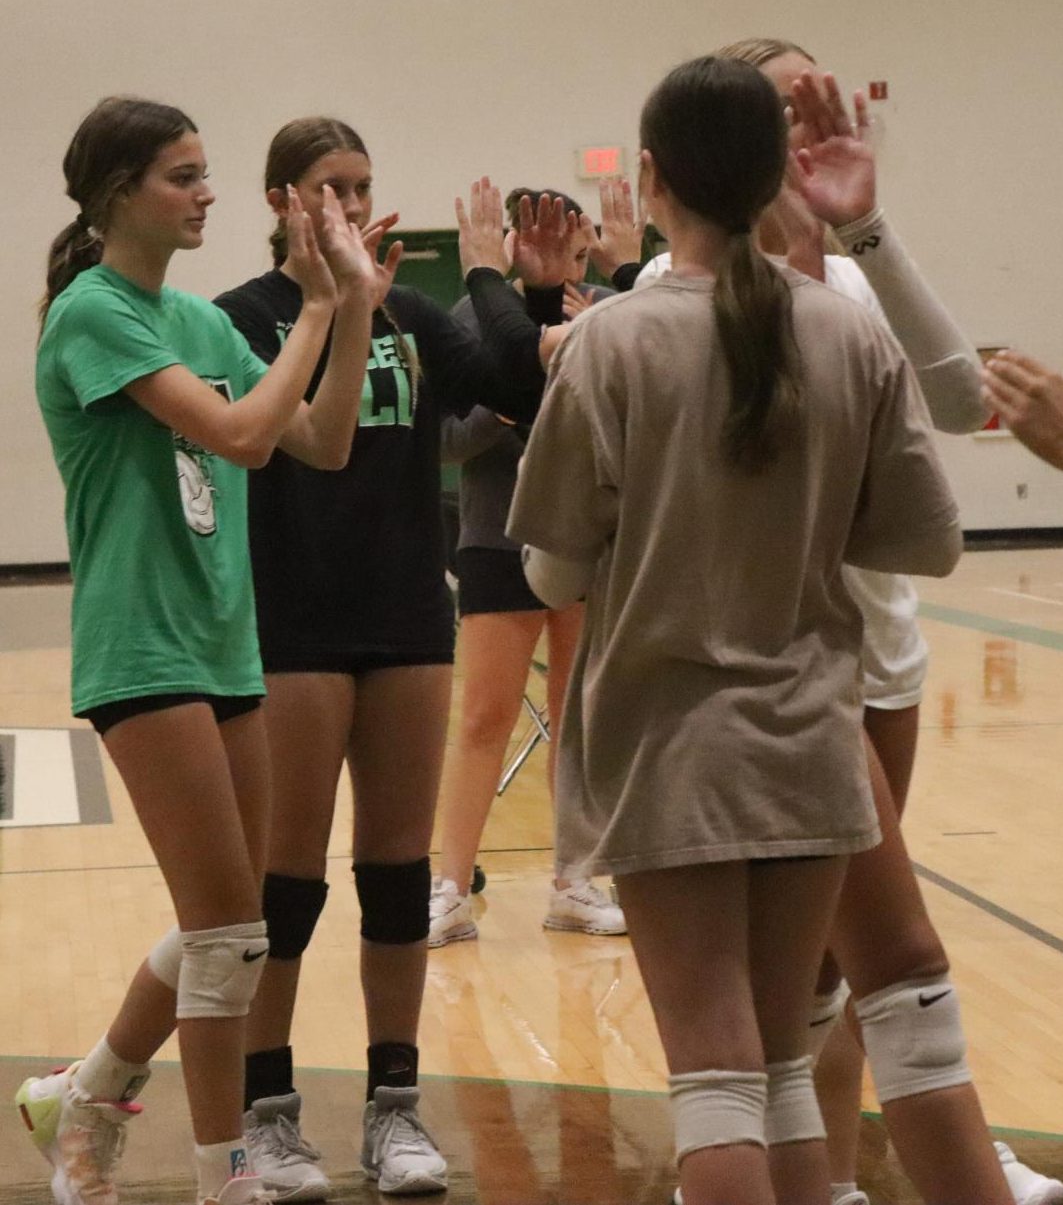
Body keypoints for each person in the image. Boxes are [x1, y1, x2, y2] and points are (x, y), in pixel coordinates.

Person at [508, 54, 962, 1205]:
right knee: (778, 1071)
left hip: (670, 751)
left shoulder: (609, 343)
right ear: (775, 176)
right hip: (813, 739)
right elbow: (926, 543)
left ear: (649, 177)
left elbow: (553, 564)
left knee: (713, 1081)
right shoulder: (847, 335)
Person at [645, 42, 1057, 1205]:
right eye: (780, 102)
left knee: (824, 971)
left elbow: (961, 400)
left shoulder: (854, 282)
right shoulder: (659, 296)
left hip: (877, 663)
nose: (803, 119)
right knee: (872, 963)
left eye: (816, 98)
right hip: (775, 681)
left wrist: (864, 228)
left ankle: (820, 1176)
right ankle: (859, 1169)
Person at [20, 95, 376, 1205]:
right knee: (227, 927)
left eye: (207, 171)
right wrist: (314, 312)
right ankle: (222, 1172)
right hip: (142, 644)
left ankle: (85, 1091)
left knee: (235, 924)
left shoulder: (198, 323)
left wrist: (354, 306)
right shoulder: (92, 313)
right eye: (183, 175)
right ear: (121, 191)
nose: (207, 192)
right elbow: (234, 432)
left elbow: (319, 439)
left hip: (224, 643)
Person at [212, 120, 578, 1200]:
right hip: (293, 622)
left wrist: (526, 285)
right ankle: (269, 1115)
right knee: (283, 890)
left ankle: (394, 1108)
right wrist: (340, 304)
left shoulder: (412, 316)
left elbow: (521, 379)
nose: (350, 204)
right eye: (330, 187)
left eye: (364, 186)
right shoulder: (242, 317)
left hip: (409, 613)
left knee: (393, 878)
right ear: (284, 199)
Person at [430, 181, 639, 947]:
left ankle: (573, 881)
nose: (574, 262)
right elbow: (446, 440)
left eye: (584, 250)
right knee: (484, 716)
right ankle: (449, 886)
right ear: (513, 245)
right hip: (496, 537)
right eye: (560, 246)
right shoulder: (469, 322)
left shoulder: (604, 316)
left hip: (584, 538)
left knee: (577, 721)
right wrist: (512, 399)